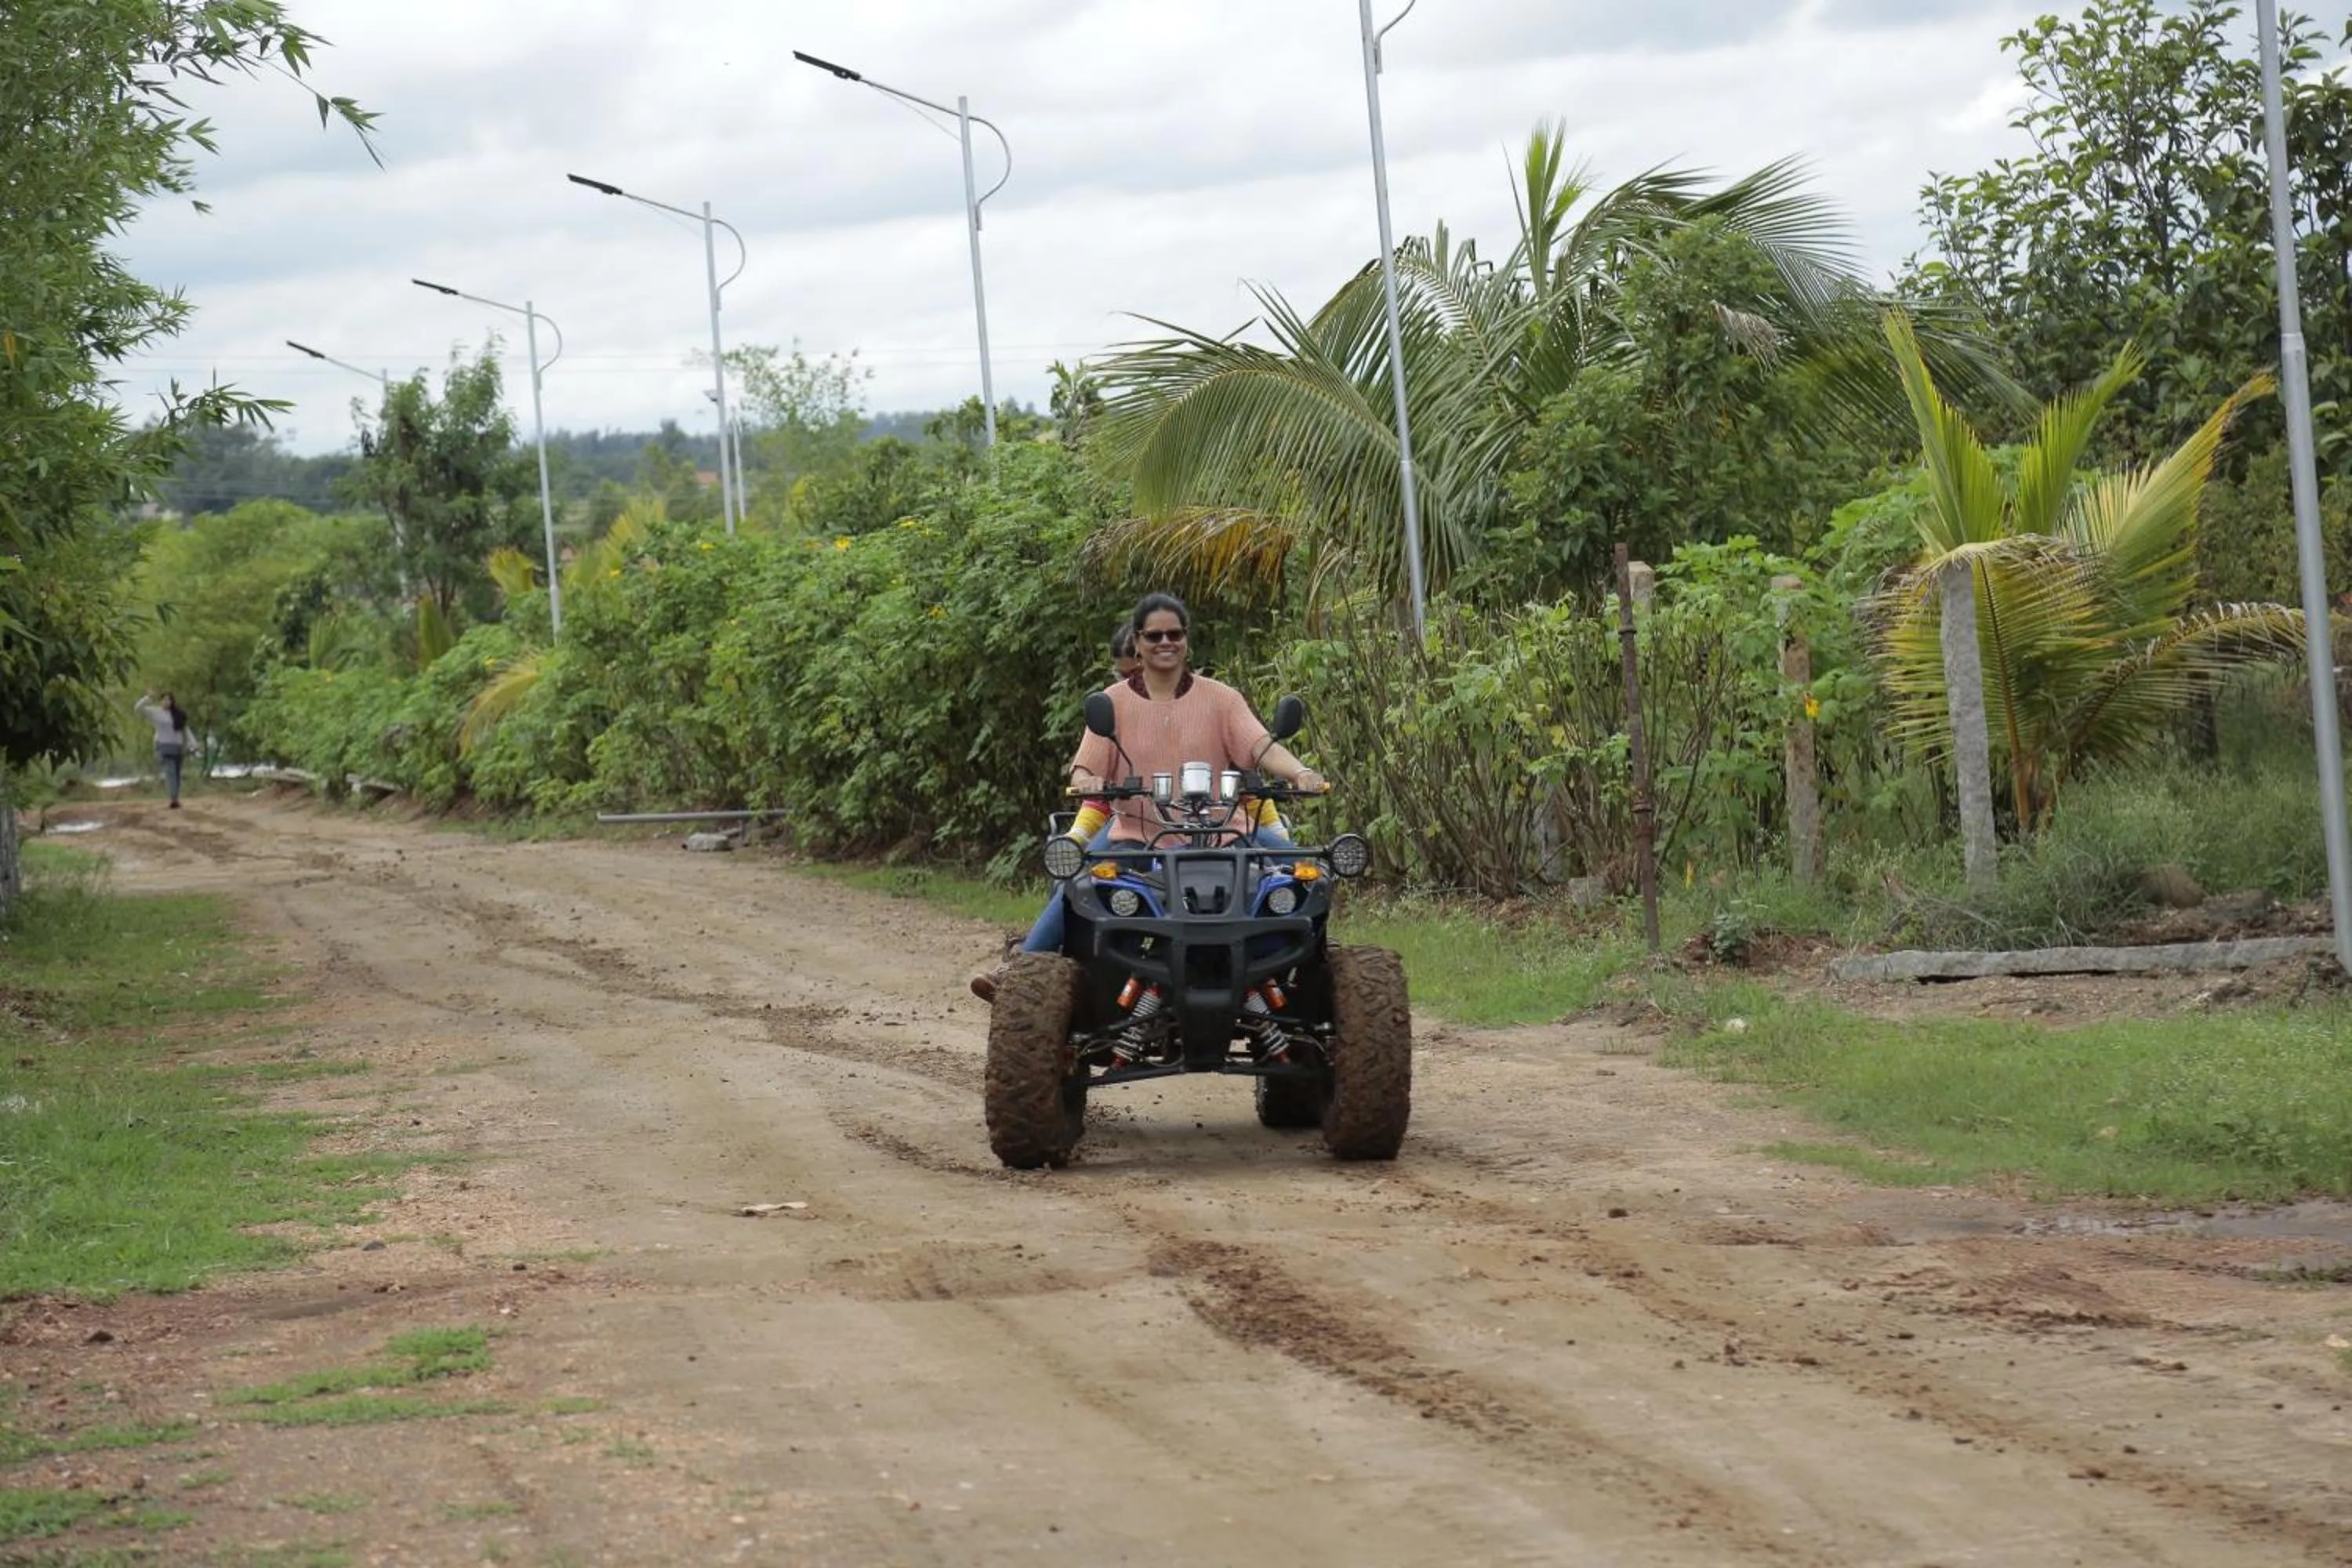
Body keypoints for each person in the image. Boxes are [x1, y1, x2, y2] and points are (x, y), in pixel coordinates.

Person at [972, 593, 1323, 1001]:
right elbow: (1085, 767)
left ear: (1187, 639)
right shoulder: (1113, 702)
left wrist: (1301, 772)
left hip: (1227, 835)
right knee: (1076, 880)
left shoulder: (1222, 699)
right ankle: (1019, 970)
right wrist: (1087, 781)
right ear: (1137, 642)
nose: (1165, 643)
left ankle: (1316, 977)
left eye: (1174, 634)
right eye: (1154, 635)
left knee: (1312, 874)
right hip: (1137, 834)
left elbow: (1261, 747)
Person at [135, 691, 190, 809]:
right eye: (164, 700)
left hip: (178, 746)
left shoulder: (177, 714)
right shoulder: (155, 712)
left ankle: (176, 797)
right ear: (160, 701)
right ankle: (173, 800)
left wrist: (192, 744)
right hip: (164, 746)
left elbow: (185, 730)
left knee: (177, 774)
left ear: (172, 702)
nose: (166, 702)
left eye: (169, 700)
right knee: (170, 773)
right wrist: (148, 697)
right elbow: (138, 708)